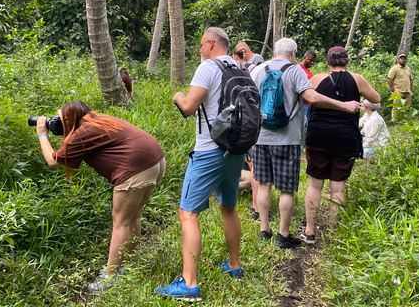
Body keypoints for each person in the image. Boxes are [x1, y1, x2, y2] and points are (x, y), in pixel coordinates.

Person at [35, 101, 165, 293]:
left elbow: (53, 161)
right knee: (133, 217)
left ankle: (110, 278)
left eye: (60, 119)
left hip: (136, 168)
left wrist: (42, 133)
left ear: (70, 119)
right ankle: (129, 265)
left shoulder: (82, 133)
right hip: (156, 160)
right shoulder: (99, 120)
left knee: (120, 222)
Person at [155, 27, 245, 302]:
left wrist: (177, 96)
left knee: (187, 213)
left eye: (200, 44)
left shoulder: (207, 67)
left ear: (210, 43)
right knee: (228, 206)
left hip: (209, 151)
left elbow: (189, 107)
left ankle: (189, 284)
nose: (199, 49)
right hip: (236, 149)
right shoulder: (241, 68)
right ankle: (233, 265)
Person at [250, 38, 361, 249]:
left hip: (261, 137)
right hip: (287, 139)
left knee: (264, 184)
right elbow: (312, 97)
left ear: (274, 51)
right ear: (293, 52)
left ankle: (264, 230)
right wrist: (343, 105)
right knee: (286, 190)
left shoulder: (258, 70)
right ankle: (283, 235)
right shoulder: (294, 71)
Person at [300, 46, 380, 245]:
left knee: (315, 184)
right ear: (347, 61)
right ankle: (334, 234)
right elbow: (377, 99)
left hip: (319, 136)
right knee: (338, 189)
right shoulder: (357, 79)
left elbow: (303, 97)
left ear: (328, 62)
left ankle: (310, 231)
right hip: (346, 138)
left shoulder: (316, 79)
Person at [388, 54, 413, 120]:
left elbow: (411, 79)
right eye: (401, 58)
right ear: (398, 60)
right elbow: (389, 79)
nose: (402, 60)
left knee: (406, 107)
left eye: (404, 59)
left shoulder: (408, 69)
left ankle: (403, 120)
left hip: (407, 91)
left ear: (406, 60)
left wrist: (411, 90)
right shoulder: (395, 68)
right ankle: (394, 120)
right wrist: (393, 89)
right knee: (396, 107)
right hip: (398, 91)